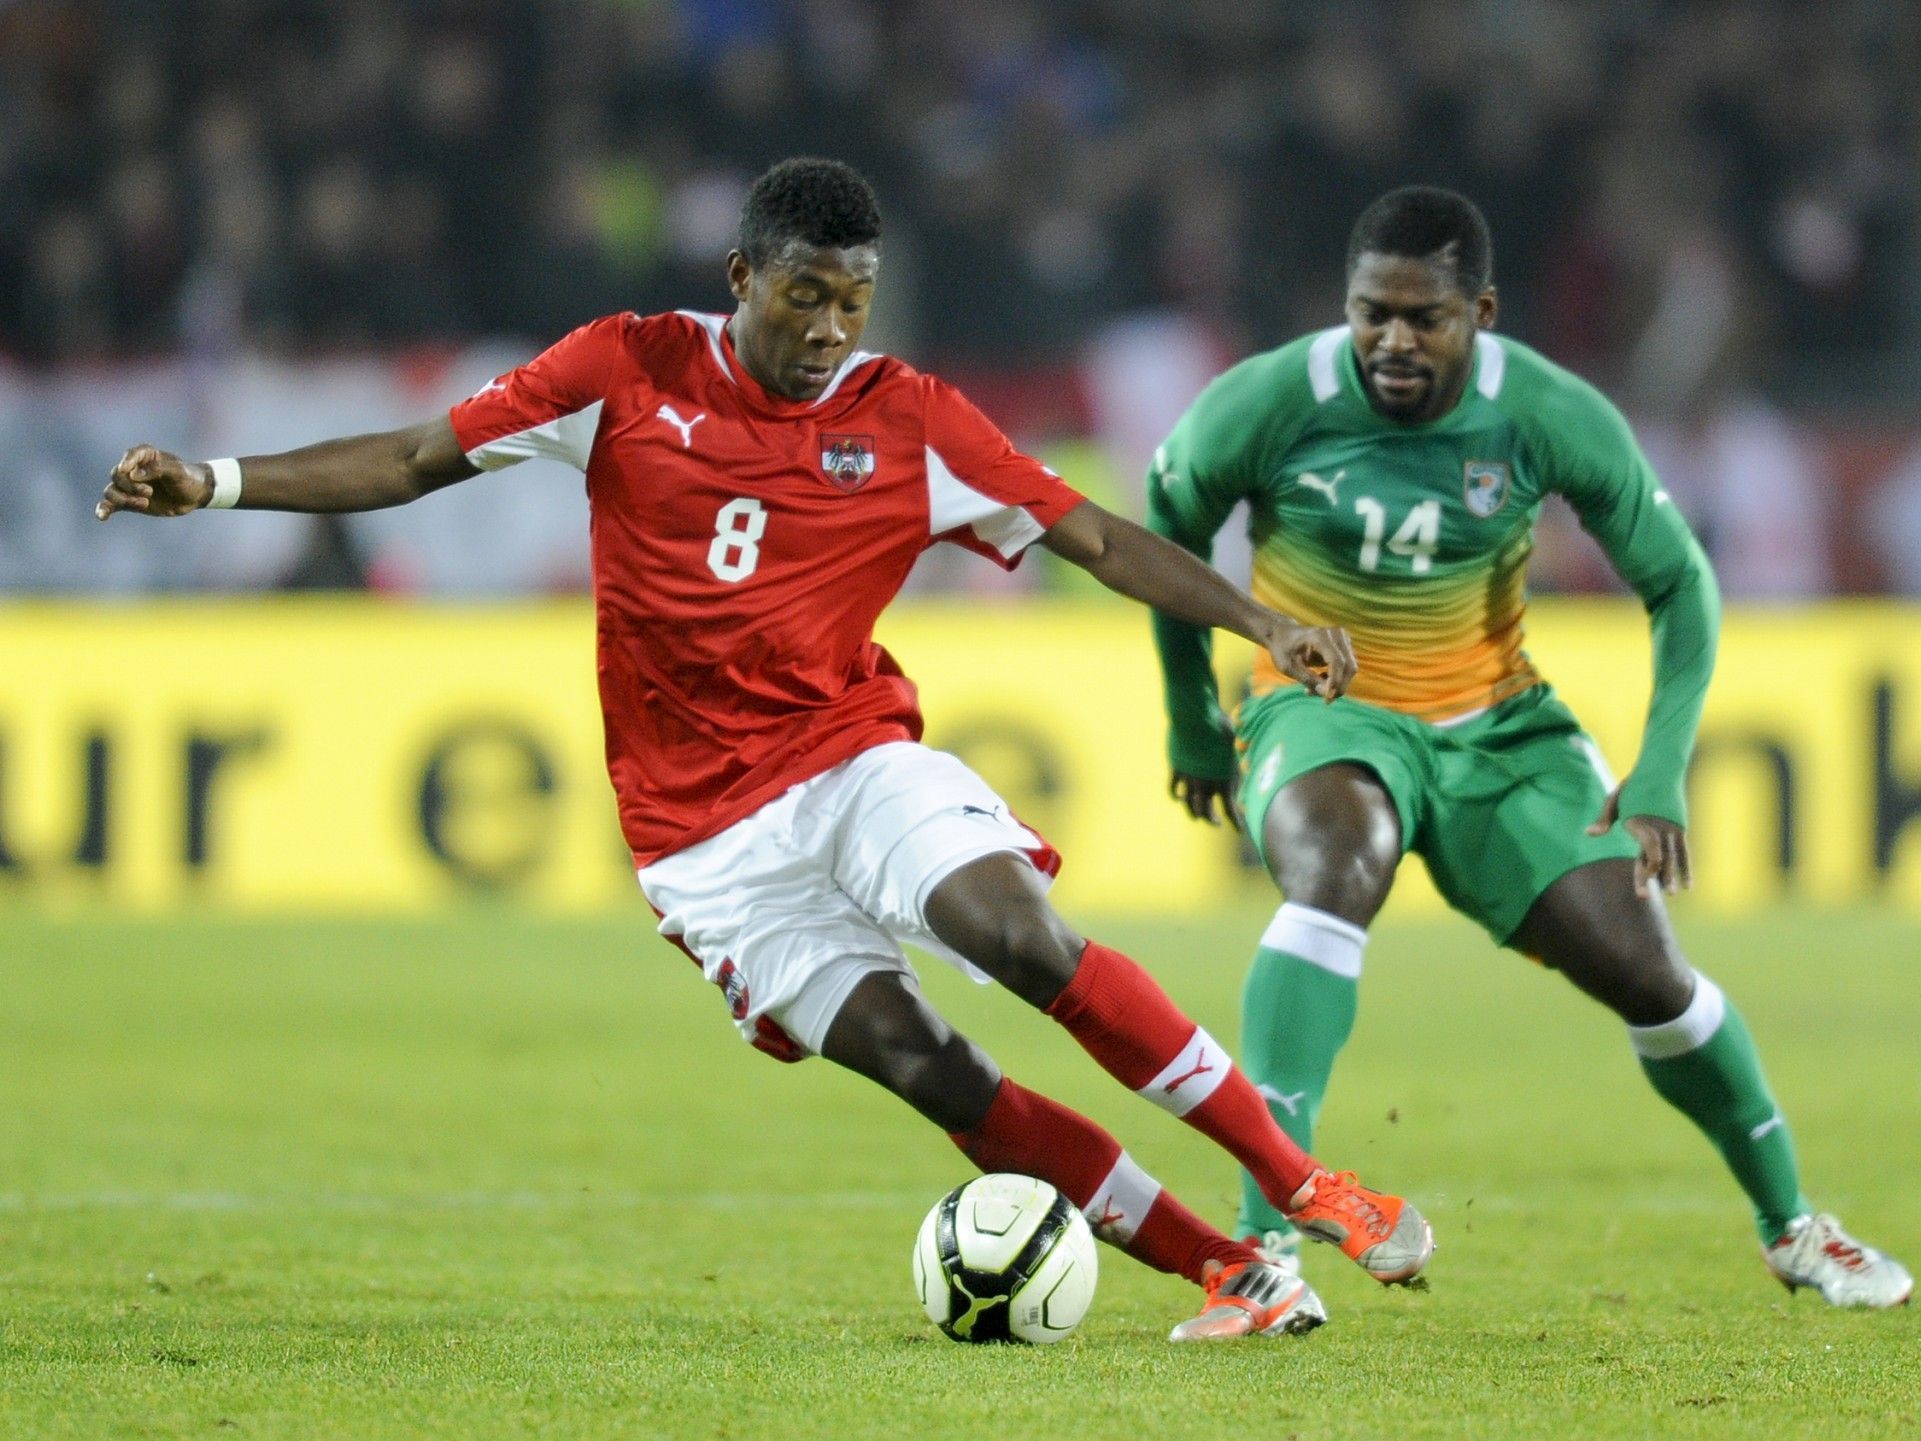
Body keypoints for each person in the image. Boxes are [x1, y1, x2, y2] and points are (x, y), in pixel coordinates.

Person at [95, 157, 1434, 1342]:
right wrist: (213, 482)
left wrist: (1261, 615)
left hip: (851, 758)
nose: (830, 328)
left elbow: (1091, 534)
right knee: (933, 1068)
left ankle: (1310, 1184)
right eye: (805, 295)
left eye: (854, 299)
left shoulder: (906, 417)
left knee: (1018, 932)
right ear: (742, 276)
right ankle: (1234, 1271)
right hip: (702, 844)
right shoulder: (621, 370)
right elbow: (409, 457)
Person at [1147, 185, 1911, 1310]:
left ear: (1483, 312)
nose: (1392, 343)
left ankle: (1793, 1224)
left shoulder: (1547, 412)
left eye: (1424, 319)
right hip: (1324, 710)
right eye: (1371, 315)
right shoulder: (1264, 401)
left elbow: (1681, 586)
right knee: (1332, 866)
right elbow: (1165, 535)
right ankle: (1266, 1247)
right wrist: (1189, 719)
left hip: (1500, 729)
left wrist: (1657, 771)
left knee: (1655, 982)